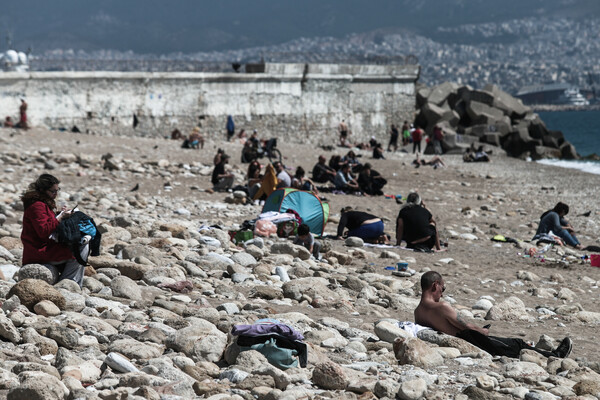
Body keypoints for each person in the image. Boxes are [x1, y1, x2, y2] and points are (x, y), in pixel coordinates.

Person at [415, 271, 573, 359]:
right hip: (469, 340)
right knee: (517, 344)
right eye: (443, 289)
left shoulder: (418, 312)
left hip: (452, 343)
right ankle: (555, 355)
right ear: (435, 285)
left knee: (514, 345)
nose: (442, 294)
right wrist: (482, 331)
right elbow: (465, 326)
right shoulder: (441, 306)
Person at [20, 174, 85, 287]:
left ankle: (69, 282)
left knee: (81, 240)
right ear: (42, 190)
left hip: (44, 246)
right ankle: (69, 283)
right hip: (38, 250)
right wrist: (61, 217)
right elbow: (44, 231)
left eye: (57, 190)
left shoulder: (42, 203)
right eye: (53, 191)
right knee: (81, 246)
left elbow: (47, 220)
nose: (55, 194)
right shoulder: (37, 206)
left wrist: (59, 213)